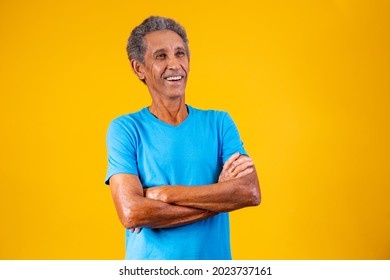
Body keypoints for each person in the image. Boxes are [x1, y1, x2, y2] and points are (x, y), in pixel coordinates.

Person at [105, 16, 261, 260]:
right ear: (139, 68)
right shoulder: (126, 129)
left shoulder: (219, 123)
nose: (175, 64)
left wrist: (166, 195)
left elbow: (249, 192)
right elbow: (132, 212)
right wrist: (220, 195)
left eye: (180, 53)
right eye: (161, 56)